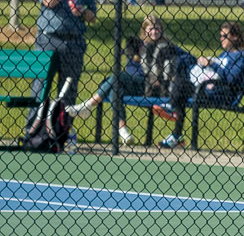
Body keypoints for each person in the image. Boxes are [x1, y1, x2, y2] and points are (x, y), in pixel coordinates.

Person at [67, 13, 182, 145]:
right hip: (134, 83)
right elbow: (131, 69)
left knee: (116, 77)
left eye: (157, 28)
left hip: (154, 87)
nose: (154, 32)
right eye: (151, 28)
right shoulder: (137, 45)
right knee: (116, 89)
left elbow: (182, 58)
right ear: (144, 30)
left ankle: (87, 106)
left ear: (161, 30)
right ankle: (123, 131)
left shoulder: (167, 46)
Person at [152, 22, 244, 149]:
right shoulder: (223, 54)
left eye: (224, 36)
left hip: (222, 93)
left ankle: (172, 114)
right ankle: (176, 133)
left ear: (235, 37)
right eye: (220, 36)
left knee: (181, 87)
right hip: (206, 87)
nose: (221, 39)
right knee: (182, 64)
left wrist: (211, 63)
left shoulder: (240, 57)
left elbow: (230, 79)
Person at [28, 0, 97, 118]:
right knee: (40, 86)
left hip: (74, 42)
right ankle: (33, 131)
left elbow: (93, 17)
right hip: (48, 40)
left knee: (68, 91)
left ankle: (61, 133)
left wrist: (82, 12)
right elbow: (49, 2)